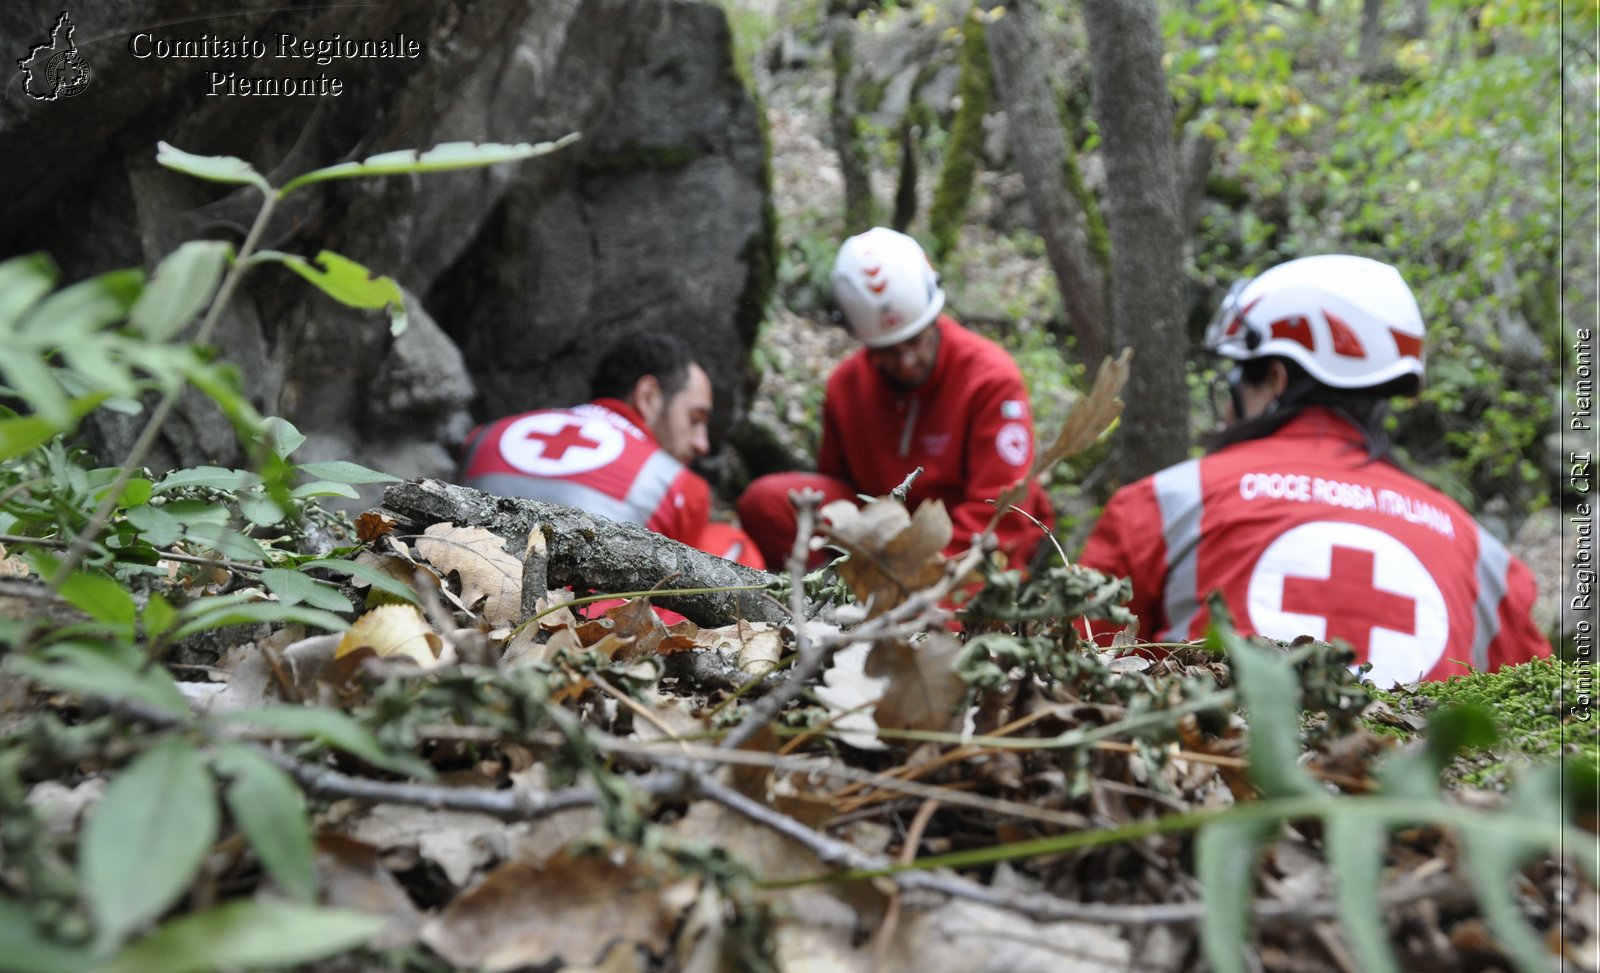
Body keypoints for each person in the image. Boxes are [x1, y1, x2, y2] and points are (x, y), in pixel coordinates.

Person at [1077, 254, 1550, 686]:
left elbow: (1071, 670)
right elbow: (1546, 712)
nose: (1225, 409)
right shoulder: (1482, 555)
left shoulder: (1166, 503)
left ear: (1276, 378)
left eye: (1237, 380)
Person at [738, 227, 1054, 569]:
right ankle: (828, 602)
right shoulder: (847, 386)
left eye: (916, 340)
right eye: (887, 351)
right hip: (882, 537)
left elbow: (1003, 515)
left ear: (934, 319)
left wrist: (921, 579)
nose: (906, 362)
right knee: (766, 502)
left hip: (965, 545)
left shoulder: (990, 380)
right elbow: (838, 491)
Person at [459, 331, 763, 568]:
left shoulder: (485, 436)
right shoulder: (677, 485)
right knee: (732, 543)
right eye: (694, 419)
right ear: (649, 396)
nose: (702, 444)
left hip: (465, 585)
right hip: (581, 630)